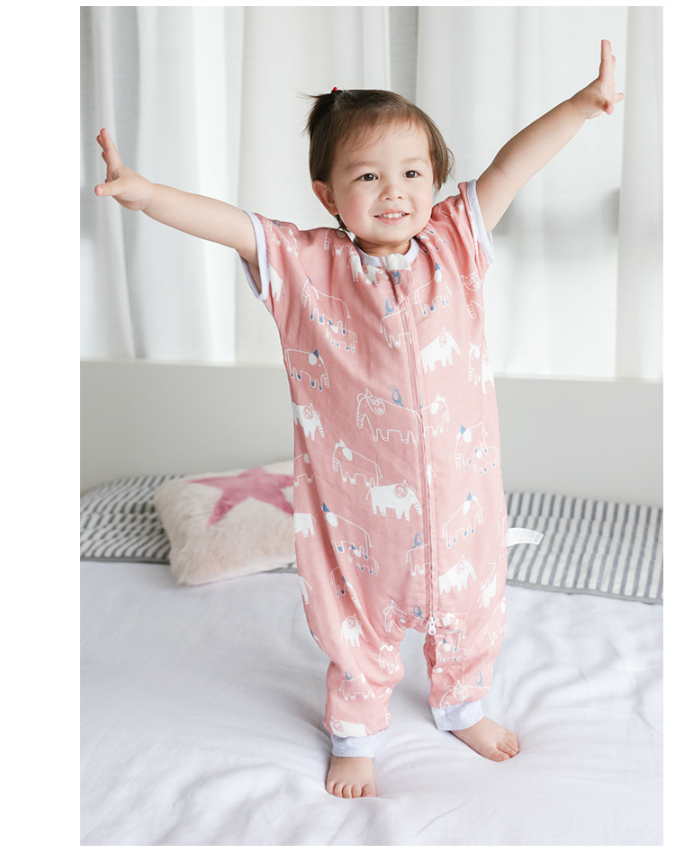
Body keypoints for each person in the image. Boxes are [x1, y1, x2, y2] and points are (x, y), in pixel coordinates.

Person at [95, 40, 623, 799]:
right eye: (367, 175)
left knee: (473, 603)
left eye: (412, 173)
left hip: (463, 493)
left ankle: (463, 702)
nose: (393, 191)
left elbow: (512, 167)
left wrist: (578, 107)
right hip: (355, 506)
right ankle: (355, 731)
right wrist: (147, 194)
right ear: (327, 193)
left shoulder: (456, 241)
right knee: (353, 618)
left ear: (435, 181)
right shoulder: (305, 263)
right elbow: (229, 224)